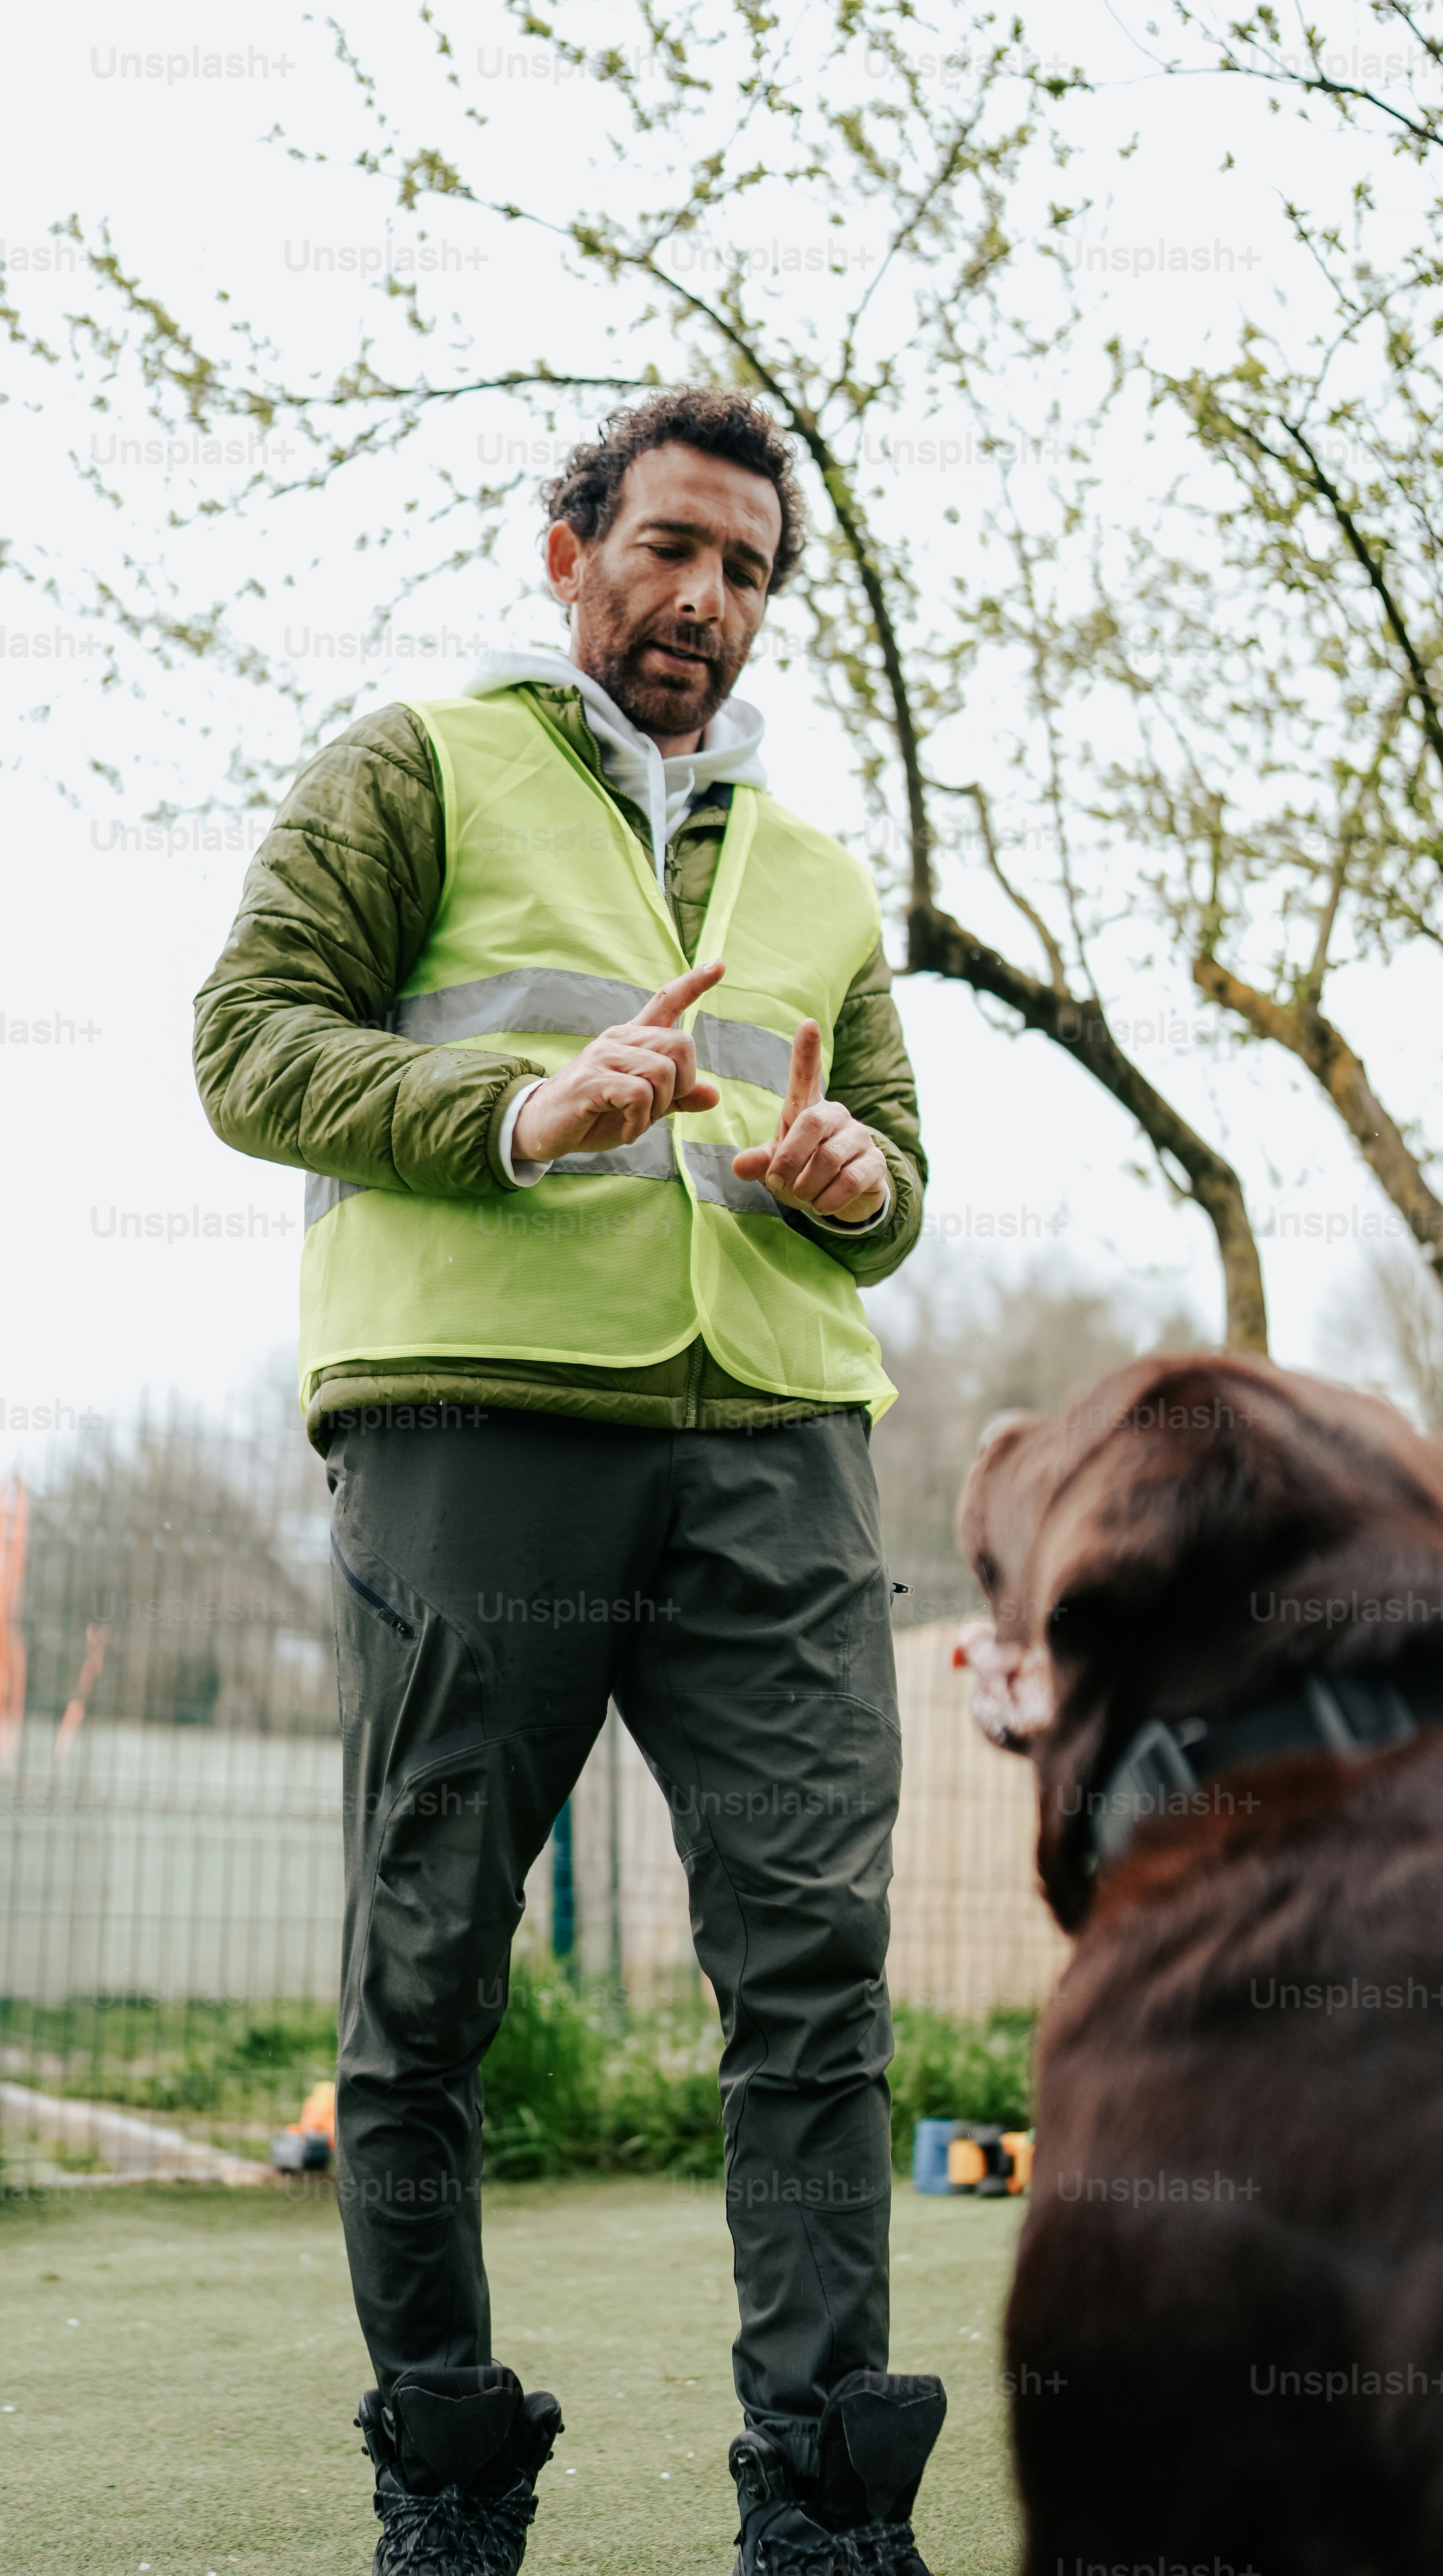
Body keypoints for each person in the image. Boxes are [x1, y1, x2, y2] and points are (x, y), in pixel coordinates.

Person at [193, 388, 946, 2576]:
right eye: (671, 549)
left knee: (815, 1972)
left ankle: (821, 2501)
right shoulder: (414, 767)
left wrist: (855, 1172)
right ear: (569, 550)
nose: (705, 599)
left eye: (746, 571)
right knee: (429, 1975)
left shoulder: (811, 871)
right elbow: (247, 1039)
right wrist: (524, 1112)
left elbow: (890, 1175)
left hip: (779, 1461)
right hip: (475, 1434)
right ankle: (444, 2465)